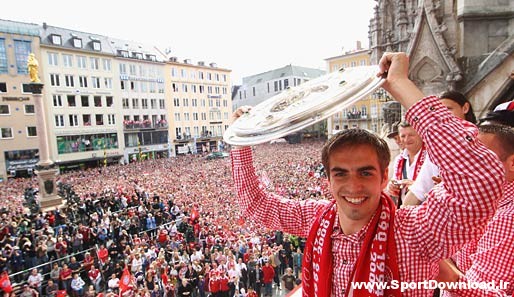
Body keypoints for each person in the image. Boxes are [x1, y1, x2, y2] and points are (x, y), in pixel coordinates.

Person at [229, 52, 504, 296]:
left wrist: (401, 85)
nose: (353, 186)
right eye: (340, 174)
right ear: (328, 180)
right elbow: (257, 204)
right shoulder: (317, 217)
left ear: (384, 177)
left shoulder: (415, 232)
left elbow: (478, 180)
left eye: (365, 172)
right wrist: (241, 140)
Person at [436, 106, 514, 296]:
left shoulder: (508, 217)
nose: (468, 167)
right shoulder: (476, 199)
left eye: (481, 159)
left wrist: (437, 261)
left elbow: (485, 291)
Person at [403, 90, 477, 206]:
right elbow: (417, 191)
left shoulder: (484, 139)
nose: (442, 117)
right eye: (437, 113)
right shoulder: (437, 150)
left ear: (465, 108)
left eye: (448, 110)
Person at [387, 122, 425, 207]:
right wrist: (392, 186)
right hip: (405, 211)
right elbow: (395, 181)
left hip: (426, 212)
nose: (407, 139)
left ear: (420, 135)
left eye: (411, 135)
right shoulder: (398, 159)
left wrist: (416, 187)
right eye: (403, 136)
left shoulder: (431, 158)